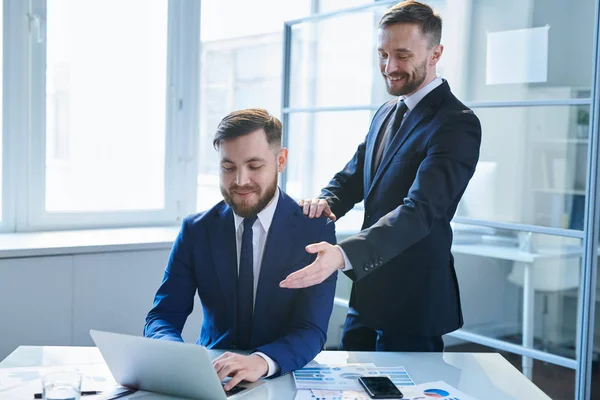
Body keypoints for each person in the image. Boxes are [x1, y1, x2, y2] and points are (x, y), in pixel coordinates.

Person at [280, 1, 481, 353]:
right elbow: (355, 176)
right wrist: (324, 202)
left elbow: (419, 212)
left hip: (413, 304)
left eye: (402, 55)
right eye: (382, 54)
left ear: (436, 54)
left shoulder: (456, 123)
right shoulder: (387, 111)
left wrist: (343, 255)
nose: (389, 67)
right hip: (368, 293)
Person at [145, 108, 337, 391]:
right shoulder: (196, 230)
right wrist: (181, 360)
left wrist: (261, 361)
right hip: (211, 378)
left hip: (282, 376)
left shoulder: (315, 230)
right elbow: (162, 316)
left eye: (254, 166)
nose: (239, 181)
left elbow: (312, 329)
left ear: (280, 160)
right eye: (228, 167)